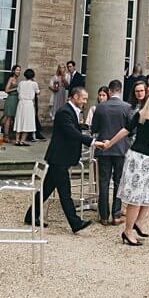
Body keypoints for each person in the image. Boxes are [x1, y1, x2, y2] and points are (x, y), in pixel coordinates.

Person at [25, 86, 97, 232]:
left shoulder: (70, 111)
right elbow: (71, 132)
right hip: (59, 158)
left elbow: (73, 129)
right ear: (75, 97)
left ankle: (30, 215)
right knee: (65, 193)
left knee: (46, 190)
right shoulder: (64, 112)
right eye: (83, 98)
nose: (85, 101)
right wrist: (92, 142)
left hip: (59, 157)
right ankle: (75, 223)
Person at [103, 91, 149, 245]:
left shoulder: (141, 114)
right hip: (144, 160)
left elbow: (125, 130)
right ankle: (128, 231)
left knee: (148, 193)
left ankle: (138, 223)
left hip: (134, 156)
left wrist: (109, 143)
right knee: (137, 197)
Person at [90, 79, 134, 226]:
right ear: (120, 91)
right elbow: (131, 130)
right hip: (121, 149)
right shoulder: (127, 107)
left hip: (104, 148)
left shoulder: (100, 107)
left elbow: (94, 128)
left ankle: (103, 216)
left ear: (109, 91)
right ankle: (116, 215)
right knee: (118, 182)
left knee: (103, 182)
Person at [13, 69, 39, 146]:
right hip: (28, 103)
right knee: (27, 122)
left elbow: (18, 91)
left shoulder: (21, 83)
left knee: (20, 121)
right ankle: (22, 140)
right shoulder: (34, 84)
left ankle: (17, 140)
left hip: (21, 103)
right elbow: (38, 91)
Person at [1, 65, 21, 137]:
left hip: (17, 99)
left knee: (14, 117)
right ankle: (6, 135)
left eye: (19, 70)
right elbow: (6, 90)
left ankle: (12, 134)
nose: (19, 72)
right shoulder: (11, 79)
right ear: (13, 71)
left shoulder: (18, 80)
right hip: (11, 99)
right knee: (8, 117)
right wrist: (16, 89)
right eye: (17, 70)